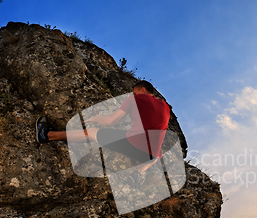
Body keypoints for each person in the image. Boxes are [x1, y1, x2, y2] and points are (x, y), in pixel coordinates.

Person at [36, 80, 171, 187]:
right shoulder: (165, 107)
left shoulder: (134, 100)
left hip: (134, 144)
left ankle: (46, 135)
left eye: (135, 93)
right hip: (150, 156)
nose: (133, 95)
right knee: (156, 154)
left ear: (142, 90)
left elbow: (111, 121)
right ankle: (137, 173)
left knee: (91, 133)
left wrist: (96, 119)